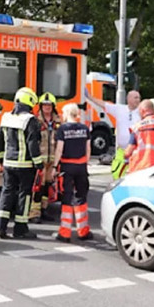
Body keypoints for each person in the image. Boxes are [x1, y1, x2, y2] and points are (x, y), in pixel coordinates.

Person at [0, 87, 43, 240]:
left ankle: (0, 227)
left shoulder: (5, 118)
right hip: (25, 165)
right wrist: (39, 164)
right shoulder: (30, 120)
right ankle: (20, 229)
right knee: (24, 195)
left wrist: (1, 159)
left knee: (6, 192)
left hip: (9, 164)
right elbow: (32, 144)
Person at [52, 103, 93, 243]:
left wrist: (54, 166)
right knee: (81, 197)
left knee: (67, 198)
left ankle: (65, 233)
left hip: (67, 167)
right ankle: (83, 231)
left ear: (67, 114)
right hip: (81, 167)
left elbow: (59, 150)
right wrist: (84, 164)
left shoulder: (62, 129)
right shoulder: (84, 128)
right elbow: (88, 150)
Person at [30, 92, 60, 224]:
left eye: (49, 105)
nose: (47, 107)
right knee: (37, 188)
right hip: (39, 160)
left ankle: (44, 209)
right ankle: (34, 213)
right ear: (40, 106)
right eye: (44, 105)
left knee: (48, 186)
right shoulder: (35, 120)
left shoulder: (58, 121)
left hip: (52, 160)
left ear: (53, 106)